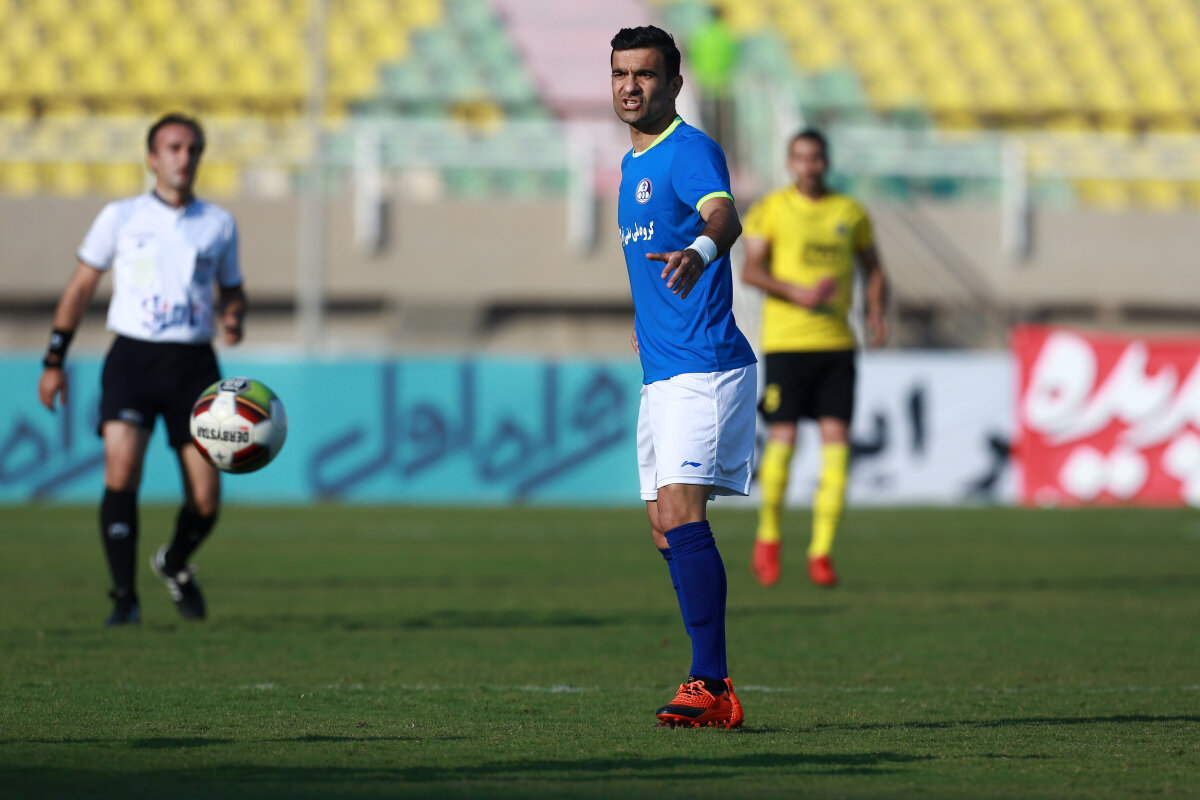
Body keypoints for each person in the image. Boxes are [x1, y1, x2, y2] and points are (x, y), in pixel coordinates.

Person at [37, 112, 246, 626]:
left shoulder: (218, 223)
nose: (184, 157)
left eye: (192, 149)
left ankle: (173, 562)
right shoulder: (121, 216)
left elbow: (233, 289)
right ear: (153, 158)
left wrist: (234, 315)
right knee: (122, 470)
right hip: (132, 358)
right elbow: (81, 287)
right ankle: (124, 598)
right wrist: (54, 359)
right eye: (173, 148)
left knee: (206, 499)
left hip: (194, 366)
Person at [611, 25, 757, 728]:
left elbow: (725, 216)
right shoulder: (629, 164)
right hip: (662, 371)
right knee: (664, 530)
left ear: (673, 83)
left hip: (706, 365)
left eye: (644, 74)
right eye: (620, 74)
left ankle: (710, 683)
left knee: (681, 514)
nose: (630, 86)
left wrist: (700, 251)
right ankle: (708, 681)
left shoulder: (689, 149)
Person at [740, 129, 889, 588]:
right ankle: (768, 536)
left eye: (816, 157)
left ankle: (821, 551)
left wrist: (876, 312)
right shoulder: (772, 209)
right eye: (801, 158)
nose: (809, 166)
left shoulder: (850, 212)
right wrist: (795, 292)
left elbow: (875, 270)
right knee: (783, 442)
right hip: (787, 344)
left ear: (826, 162)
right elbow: (750, 270)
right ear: (790, 163)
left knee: (837, 449)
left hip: (837, 345)